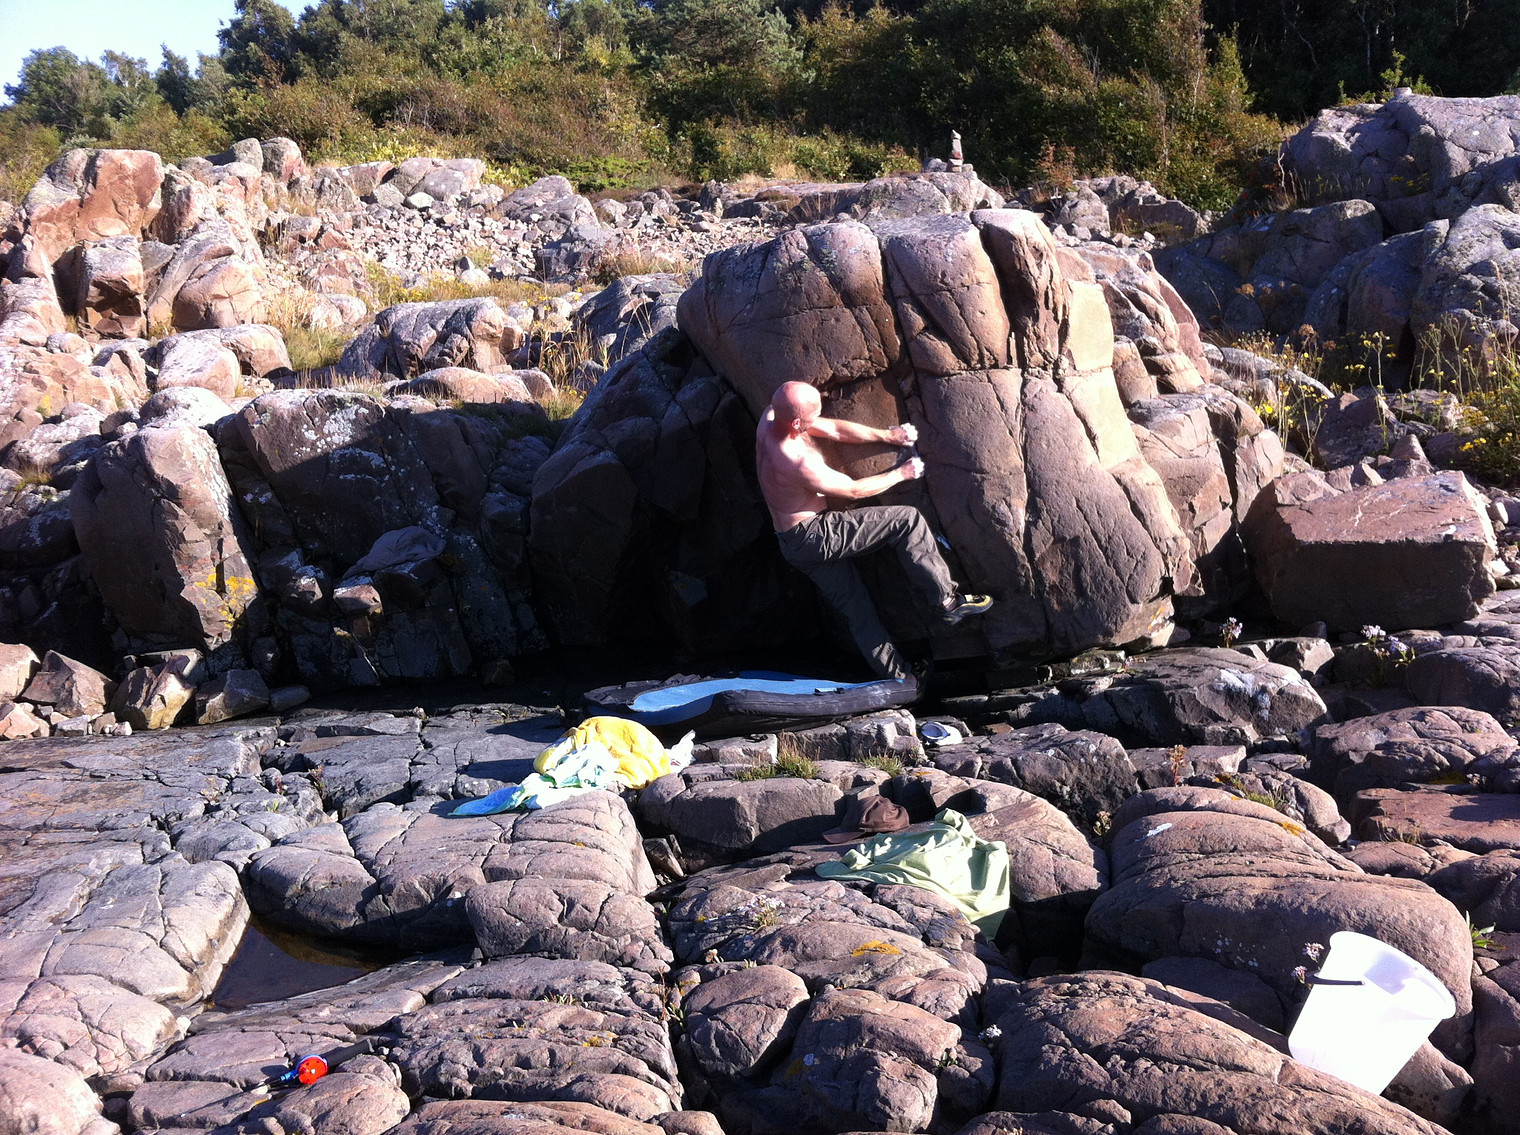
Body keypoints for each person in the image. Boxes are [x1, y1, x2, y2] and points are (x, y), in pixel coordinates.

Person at [756, 380, 992, 680]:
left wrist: (888, 436)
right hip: (814, 534)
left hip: (790, 544)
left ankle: (900, 678)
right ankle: (948, 602)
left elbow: (833, 429)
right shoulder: (795, 462)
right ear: (796, 423)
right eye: (813, 415)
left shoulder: (770, 417)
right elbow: (853, 490)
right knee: (907, 520)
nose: (819, 418)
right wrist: (901, 473)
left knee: (858, 611)